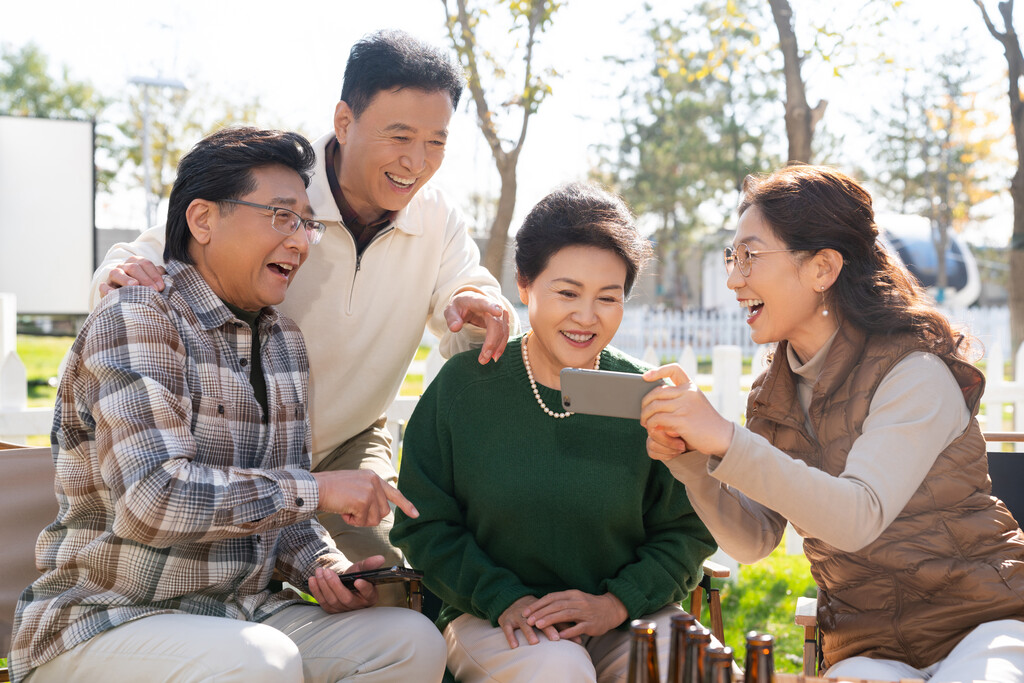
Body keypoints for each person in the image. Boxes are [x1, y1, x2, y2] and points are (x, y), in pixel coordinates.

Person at [9, 127, 447, 683]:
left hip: (244, 613)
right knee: (258, 659)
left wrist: (325, 566)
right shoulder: (139, 318)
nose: (301, 241)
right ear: (203, 220)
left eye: (307, 223)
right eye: (281, 216)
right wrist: (322, 489)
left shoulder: (285, 342)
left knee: (409, 641)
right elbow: (153, 500)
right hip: (105, 622)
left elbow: (278, 503)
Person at [88, 30, 518, 591]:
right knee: (252, 588)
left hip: (350, 441)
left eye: (436, 141)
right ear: (344, 122)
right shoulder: (283, 186)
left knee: (382, 590)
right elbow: (162, 248)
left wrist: (475, 301)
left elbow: (465, 289)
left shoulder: (437, 216)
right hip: (242, 447)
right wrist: (114, 274)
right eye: (399, 136)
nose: (416, 161)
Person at [640, 165, 1024, 682]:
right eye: (733, 257)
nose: (734, 278)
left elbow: (856, 516)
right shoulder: (772, 395)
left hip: (984, 624)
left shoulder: (914, 373)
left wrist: (728, 439)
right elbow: (754, 539)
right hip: (869, 647)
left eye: (750, 255)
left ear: (823, 268)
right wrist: (694, 467)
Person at [391, 182, 717, 682]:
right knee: (555, 669)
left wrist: (615, 603)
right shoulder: (464, 388)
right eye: (567, 293)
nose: (586, 317)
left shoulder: (646, 397)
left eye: (608, 298)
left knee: (691, 668)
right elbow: (423, 524)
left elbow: (687, 531)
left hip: (625, 617)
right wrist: (502, 598)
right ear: (524, 285)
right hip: (494, 618)